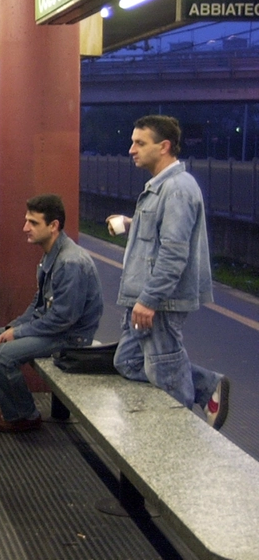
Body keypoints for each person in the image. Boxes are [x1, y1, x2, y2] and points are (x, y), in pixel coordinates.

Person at [110, 115, 230, 429]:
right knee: (128, 361)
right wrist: (129, 224)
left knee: (166, 376)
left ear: (163, 147)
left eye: (139, 143)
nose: (131, 149)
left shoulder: (177, 190)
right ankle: (206, 384)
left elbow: (174, 253)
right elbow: (163, 234)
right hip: (147, 297)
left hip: (162, 301)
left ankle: (179, 442)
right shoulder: (162, 187)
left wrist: (149, 300)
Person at [0, 194, 103, 432]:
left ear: (53, 226)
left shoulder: (70, 263)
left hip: (71, 337)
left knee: (2, 356)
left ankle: (23, 415)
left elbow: (62, 319)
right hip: (55, 329)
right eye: (27, 221)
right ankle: (13, 406)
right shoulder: (52, 254)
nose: (26, 228)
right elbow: (39, 305)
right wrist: (13, 328)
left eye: (33, 223)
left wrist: (19, 332)